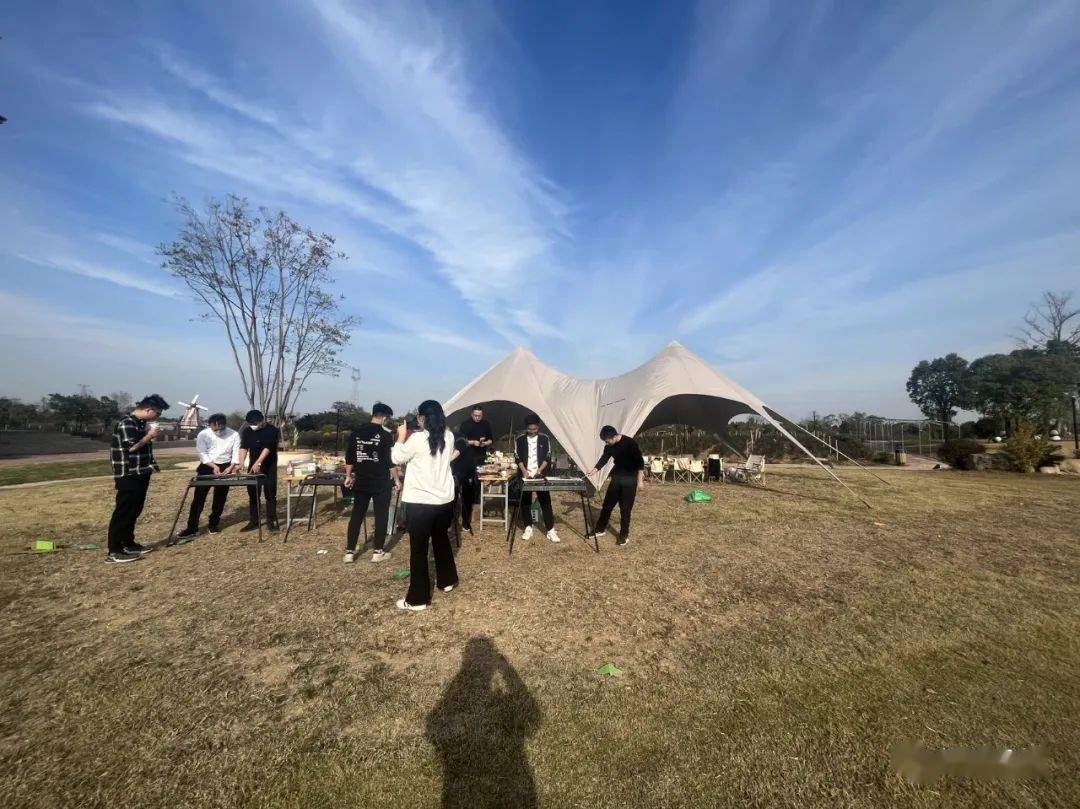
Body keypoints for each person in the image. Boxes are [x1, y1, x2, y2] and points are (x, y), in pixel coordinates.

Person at [391, 399, 459, 612]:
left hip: (420, 503)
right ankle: (447, 580)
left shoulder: (418, 439)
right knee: (441, 540)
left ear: (422, 418)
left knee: (419, 550)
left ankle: (417, 599)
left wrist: (401, 436)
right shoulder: (449, 436)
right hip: (443, 501)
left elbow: (396, 457)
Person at [106, 393, 169, 563]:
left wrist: (148, 436)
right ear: (149, 409)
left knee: (135, 510)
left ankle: (128, 543)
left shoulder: (140, 423)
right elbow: (132, 447)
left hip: (142, 471)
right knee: (123, 511)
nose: (158, 417)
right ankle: (114, 550)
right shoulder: (127, 422)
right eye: (158, 413)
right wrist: (150, 436)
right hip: (128, 473)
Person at [344, 402, 400, 563]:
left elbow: (350, 458)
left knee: (357, 515)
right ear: (384, 418)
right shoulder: (385, 435)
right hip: (380, 481)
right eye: (387, 419)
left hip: (361, 479)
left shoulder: (357, 433)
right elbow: (390, 462)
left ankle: (349, 552)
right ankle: (378, 552)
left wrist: (348, 476)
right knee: (380, 515)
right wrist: (396, 479)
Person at [176, 413, 241, 539]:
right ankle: (192, 527)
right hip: (207, 466)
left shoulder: (234, 434)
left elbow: (235, 452)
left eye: (221, 428)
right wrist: (213, 466)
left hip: (226, 466)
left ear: (224, 424)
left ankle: (213, 523)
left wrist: (231, 467)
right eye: (214, 428)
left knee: (220, 497)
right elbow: (202, 452)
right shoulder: (204, 434)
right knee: (199, 498)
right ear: (210, 425)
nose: (218, 431)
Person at [586, 425, 645, 547]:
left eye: (607, 440)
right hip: (617, 477)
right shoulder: (609, 446)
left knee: (625, 509)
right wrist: (595, 470)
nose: (606, 443)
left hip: (630, 479)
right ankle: (600, 529)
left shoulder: (630, 443)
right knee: (607, 505)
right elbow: (604, 458)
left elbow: (640, 462)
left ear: (613, 436)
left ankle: (624, 535)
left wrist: (640, 481)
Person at [515, 414, 560, 543]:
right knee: (525, 501)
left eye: (535, 429)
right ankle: (528, 526)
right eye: (530, 429)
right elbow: (517, 456)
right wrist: (524, 471)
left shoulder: (545, 438)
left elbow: (548, 457)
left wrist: (539, 471)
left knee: (545, 501)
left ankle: (550, 529)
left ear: (538, 427)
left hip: (540, 474)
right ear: (526, 428)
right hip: (525, 474)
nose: (533, 432)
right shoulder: (519, 439)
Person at [238, 410, 280, 531]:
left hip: (269, 465)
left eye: (256, 423)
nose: (254, 425)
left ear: (262, 420)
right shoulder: (247, 431)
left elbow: (268, 448)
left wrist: (259, 462)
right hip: (253, 466)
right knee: (253, 493)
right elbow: (244, 447)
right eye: (251, 423)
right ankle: (254, 521)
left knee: (270, 493)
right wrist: (241, 462)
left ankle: (271, 521)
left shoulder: (272, 430)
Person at [451, 428, 478, 534]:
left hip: (466, 473)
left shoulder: (459, 440)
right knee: (452, 499)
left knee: (466, 499)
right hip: (455, 473)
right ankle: (452, 521)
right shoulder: (453, 439)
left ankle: (465, 522)